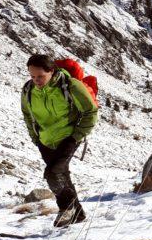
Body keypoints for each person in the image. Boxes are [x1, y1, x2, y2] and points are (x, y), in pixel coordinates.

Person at [20, 53, 98, 227]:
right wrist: (35, 137)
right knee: (62, 175)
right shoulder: (28, 90)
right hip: (45, 140)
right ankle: (78, 215)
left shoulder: (70, 86)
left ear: (52, 71)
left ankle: (65, 208)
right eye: (32, 76)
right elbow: (27, 114)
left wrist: (76, 136)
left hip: (68, 137)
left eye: (41, 76)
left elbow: (90, 112)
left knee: (53, 174)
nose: (36, 80)